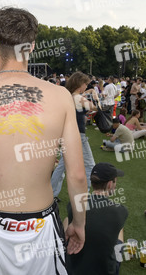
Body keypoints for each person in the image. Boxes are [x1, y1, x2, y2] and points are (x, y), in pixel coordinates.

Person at [0, 7, 87, 274]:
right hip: (43, 224)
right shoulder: (60, 97)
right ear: (32, 46)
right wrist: (79, 223)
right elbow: (77, 175)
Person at [64, 163, 128, 275]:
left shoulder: (73, 205)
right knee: (120, 230)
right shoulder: (121, 211)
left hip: (73, 268)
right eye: (115, 181)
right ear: (109, 184)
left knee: (66, 219)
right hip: (105, 271)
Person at [51, 72, 97, 200]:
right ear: (79, 84)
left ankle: (52, 193)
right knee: (90, 165)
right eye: (85, 84)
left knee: (62, 167)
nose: (86, 87)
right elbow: (96, 107)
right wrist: (93, 93)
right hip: (78, 135)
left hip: (67, 134)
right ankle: (85, 195)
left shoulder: (68, 96)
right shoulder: (78, 98)